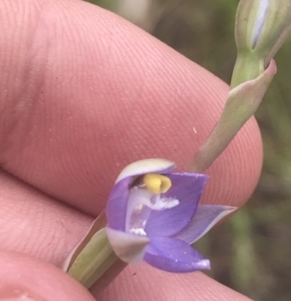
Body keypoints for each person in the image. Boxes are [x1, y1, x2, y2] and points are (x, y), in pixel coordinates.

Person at [0, 0, 262, 300]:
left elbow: (180, 207)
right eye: (144, 184)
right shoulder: (125, 226)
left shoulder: (145, 233)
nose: (156, 187)